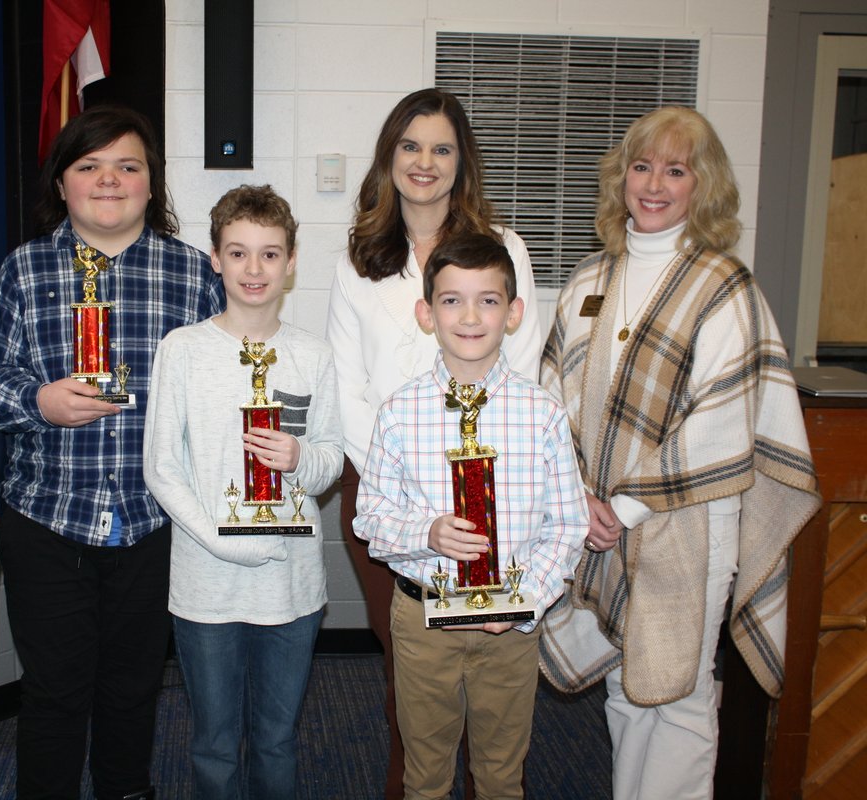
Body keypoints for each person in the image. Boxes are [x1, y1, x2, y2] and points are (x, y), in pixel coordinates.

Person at [538, 107, 821, 800]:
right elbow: (552, 401)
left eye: (675, 169)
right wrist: (577, 497)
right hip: (598, 522)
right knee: (627, 685)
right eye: (641, 166)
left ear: (705, 185)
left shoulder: (724, 285)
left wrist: (624, 507)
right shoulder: (589, 280)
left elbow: (722, 423)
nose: (654, 183)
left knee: (680, 695)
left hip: (688, 525)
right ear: (621, 179)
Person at [0, 105, 224, 800]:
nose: (110, 181)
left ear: (152, 185)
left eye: (129, 166)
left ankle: (127, 790)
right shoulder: (24, 270)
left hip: (154, 524)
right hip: (47, 519)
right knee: (55, 695)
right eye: (89, 166)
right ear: (61, 184)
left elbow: (221, 390)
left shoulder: (193, 275)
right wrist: (40, 403)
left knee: (133, 691)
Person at [325, 87, 544, 798]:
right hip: (385, 491)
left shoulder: (502, 247)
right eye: (411, 146)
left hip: (491, 490)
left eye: (442, 148)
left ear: (462, 161)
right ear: (390, 158)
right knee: (412, 666)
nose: (425, 162)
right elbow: (345, 383)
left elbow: (528, 361)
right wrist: (403, 479)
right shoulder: (358, 256)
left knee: (492, 669)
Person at [354, 233, 588, 799]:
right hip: (424, 620)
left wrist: (523, 599)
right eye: (452, 299)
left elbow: (568, 525)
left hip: (509, 629)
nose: (470, 315)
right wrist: (426, 532)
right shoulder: (399, 412)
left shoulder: (544, 415)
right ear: (426, 313)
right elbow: (371, 517)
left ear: (513, 314)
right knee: (426, 776)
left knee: (502, 776)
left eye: (488, 300)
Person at [143, 185, 343, 799]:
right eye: (238, 253)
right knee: (213, 742)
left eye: (269, 254)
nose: (253, 269)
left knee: (278, 738)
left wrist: (299, 457)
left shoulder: (313, 355)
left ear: (290, 263)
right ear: (215, 260)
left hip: (291, 584)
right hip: (207, 586)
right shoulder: (182, 350)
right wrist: (225, 544)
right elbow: (161, 469)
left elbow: (331, 460)